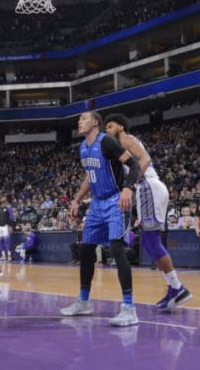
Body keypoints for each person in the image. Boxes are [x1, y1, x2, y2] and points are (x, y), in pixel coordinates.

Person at [60, 110, 141, 327]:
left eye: (83, 118)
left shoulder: (107, 143)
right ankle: (84, 302)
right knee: (86, 250)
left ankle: (129, 308)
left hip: (116, 200)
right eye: (78, 118)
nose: (79, 121)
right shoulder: (83, 148)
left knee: (116, 248)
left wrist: (127, 188)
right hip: (96, 203)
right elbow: (90, 176)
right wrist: (77, 199)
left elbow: (134, 164)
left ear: (96, 122)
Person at [104, 113, 192, 311]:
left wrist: (131, 183)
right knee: (150, 243)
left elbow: (145, 159)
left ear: (120, 127)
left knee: (151, 242)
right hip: (148, 188)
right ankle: (174, 287)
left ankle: (178, 288)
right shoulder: (119, 148)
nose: (107, 130)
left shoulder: (126, 139)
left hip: (147, 186)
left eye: (110, 126)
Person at [0, 197, 15, 261]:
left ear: (5, 201)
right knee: (1, 241)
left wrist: (10, 226)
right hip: (0, 227)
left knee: (7, 241)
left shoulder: (8, 208)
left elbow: (11, 217)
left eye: (4, 199)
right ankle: (3, 256)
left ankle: (9, 256)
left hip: (6, 226)